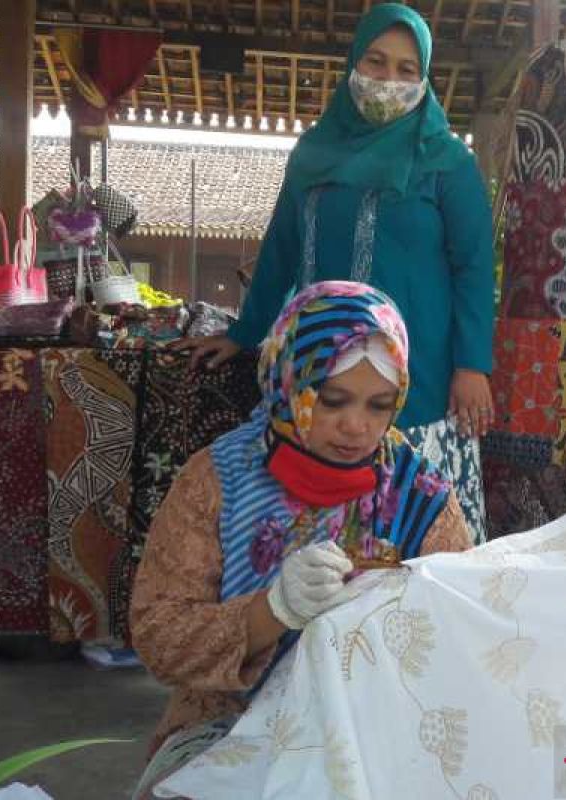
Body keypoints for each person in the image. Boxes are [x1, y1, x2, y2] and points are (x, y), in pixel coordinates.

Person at [130, 282, 474, 798]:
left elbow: (461, 628)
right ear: (286, 381)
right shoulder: (218, 481)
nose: (356, 426)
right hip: (226, 724)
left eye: (380, 405)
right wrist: (272, 612)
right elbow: (159, 634)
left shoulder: (418, 496)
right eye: (332, 400)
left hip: (373, 728)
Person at [175, 2, 496, 543]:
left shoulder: (447, 162)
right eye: (375, 62)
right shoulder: (312, 155)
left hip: (420, 374)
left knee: (418, 537)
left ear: (423, 81)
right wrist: (242, 333)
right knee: (321, 540)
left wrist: (472, 365)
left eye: (405, 69)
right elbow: (280, 249)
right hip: (321, 375)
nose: (388, 79)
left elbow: (473, 269)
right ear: (353, 66)